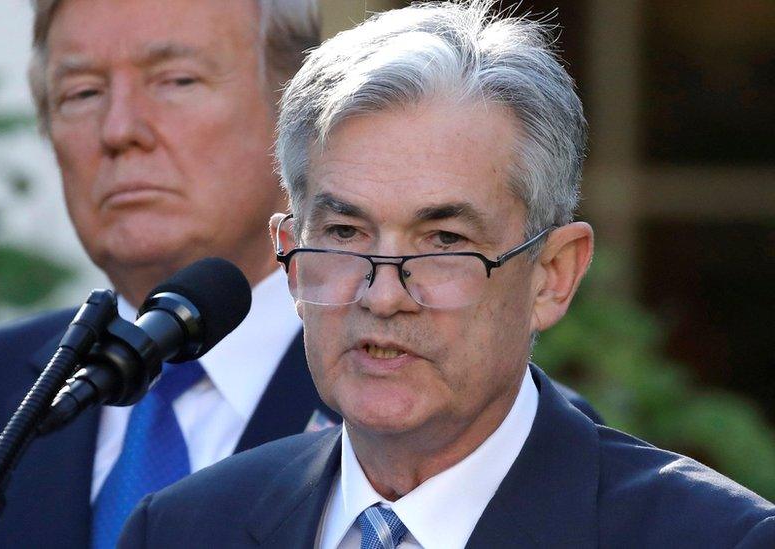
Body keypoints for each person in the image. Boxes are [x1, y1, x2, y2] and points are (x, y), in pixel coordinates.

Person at [0, 1, 598, 548]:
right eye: (80, 91)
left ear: (297, 107)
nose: (120, 131)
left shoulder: (453, 415)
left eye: (174, 80)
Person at [117, 2, 775, 548]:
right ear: (290, 257)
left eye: (444, 241)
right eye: (345, 234)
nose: (382, 294)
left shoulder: (713, 537)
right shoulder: (182, 528)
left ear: (552, 274)